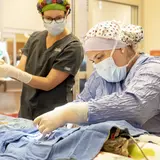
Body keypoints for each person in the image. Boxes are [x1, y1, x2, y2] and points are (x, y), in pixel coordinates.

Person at [34, 20, 160, 136]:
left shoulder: (153, 69)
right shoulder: (102, 74)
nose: (98, 65)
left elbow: (135, 107)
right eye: (93, 60)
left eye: (99, 57)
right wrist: (63, 115)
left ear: (121, 48)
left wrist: (68, 113)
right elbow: (83, 100)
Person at [0, 0, 84, 120]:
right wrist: (5, 68)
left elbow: (48, 83)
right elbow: (20, 71)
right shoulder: (35, 38)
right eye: (49, 18)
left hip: (53, 116)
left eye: (59, 18)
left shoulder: (72, 46)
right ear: (42, 16)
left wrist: (11, 71)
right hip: (27, 111)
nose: (54, 22)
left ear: (67, 15)